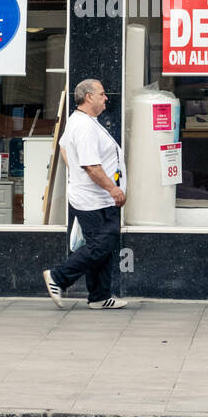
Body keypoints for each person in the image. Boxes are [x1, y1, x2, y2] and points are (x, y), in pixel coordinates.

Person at [42, 79, 129, 310]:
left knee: (103, 247)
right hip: (95, 199)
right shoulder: (85, 126)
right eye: (102, 94)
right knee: (101, 245)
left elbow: (63, 146)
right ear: (89, 97)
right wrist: (113, 188)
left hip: (94, 196)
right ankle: (58, 277)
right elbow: (91, 166)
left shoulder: (81, 121)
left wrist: (75, 167)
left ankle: (100, 297)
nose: (106, 98)